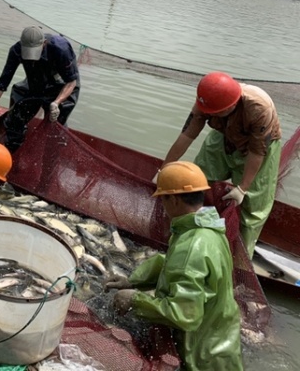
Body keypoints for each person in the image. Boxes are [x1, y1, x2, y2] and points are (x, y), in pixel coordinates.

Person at [105, 161, 243, 371]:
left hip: (202, 357)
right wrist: (132, 281)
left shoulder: (192, 246)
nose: (162, 206)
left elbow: (185, 315)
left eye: (163, 199)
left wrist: (136, 300)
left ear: (175, 200)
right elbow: (169, 264)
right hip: (223, 342)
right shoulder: (208, 229)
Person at [161, 71, 281, 258]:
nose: (208, 114)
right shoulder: (206, 102)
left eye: (215, 113)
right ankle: (187, 238)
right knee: (196, 183)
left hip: (259, 147)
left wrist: (242, 188)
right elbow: (187, 135)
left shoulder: (258, 108)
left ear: (231, 106)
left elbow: (257, 152)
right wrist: (165, 168)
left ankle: (239, 261)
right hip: (223, 135)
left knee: (251, 207)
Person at [0, 25, 79, 152]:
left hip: (62, 85)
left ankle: (49, 161)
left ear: (44, 43)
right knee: (16, 117)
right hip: (35, 82)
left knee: (54, 126)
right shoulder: (16, 50)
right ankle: (13, 153)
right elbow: (2, 83)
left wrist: (56, 103)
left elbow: (71, 82)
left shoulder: (60, 48)